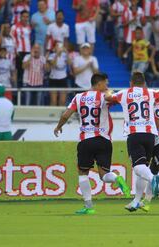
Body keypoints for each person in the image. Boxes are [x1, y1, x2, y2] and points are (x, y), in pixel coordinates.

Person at [54, 73, 131, 215]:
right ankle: (116, 178)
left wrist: (58, 127)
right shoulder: (104, 96)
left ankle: (88, 206)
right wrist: (109, 92)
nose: (107, 86)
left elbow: (66, 115)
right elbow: (117, 99)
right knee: (104, 175)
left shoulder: (78, 97)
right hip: (104, 140)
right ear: (99, 83)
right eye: (105, 83)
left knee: (83, 173)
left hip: (86, 140)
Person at [105, 72, 159, 212]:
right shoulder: (150, 93)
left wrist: (109, 92)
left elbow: (108, 98)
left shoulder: (124, 93)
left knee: (138, 167)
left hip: (135, 134)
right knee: (142, 168)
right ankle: (137, 201)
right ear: (144, 83)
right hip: (150, 134)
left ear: (131, 83)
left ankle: (153, 178)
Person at [11, 10, 31, 88]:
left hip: (28, 52)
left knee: (27, 71)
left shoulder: (29, 27)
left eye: (27, 17)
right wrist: (15, 51)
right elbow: (12, 39)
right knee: (19, 71)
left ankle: (25, 88)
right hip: (19, 52)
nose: (25, 18)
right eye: (24, 17)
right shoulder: (14, 27)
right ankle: (18, 91)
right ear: (20, 17)